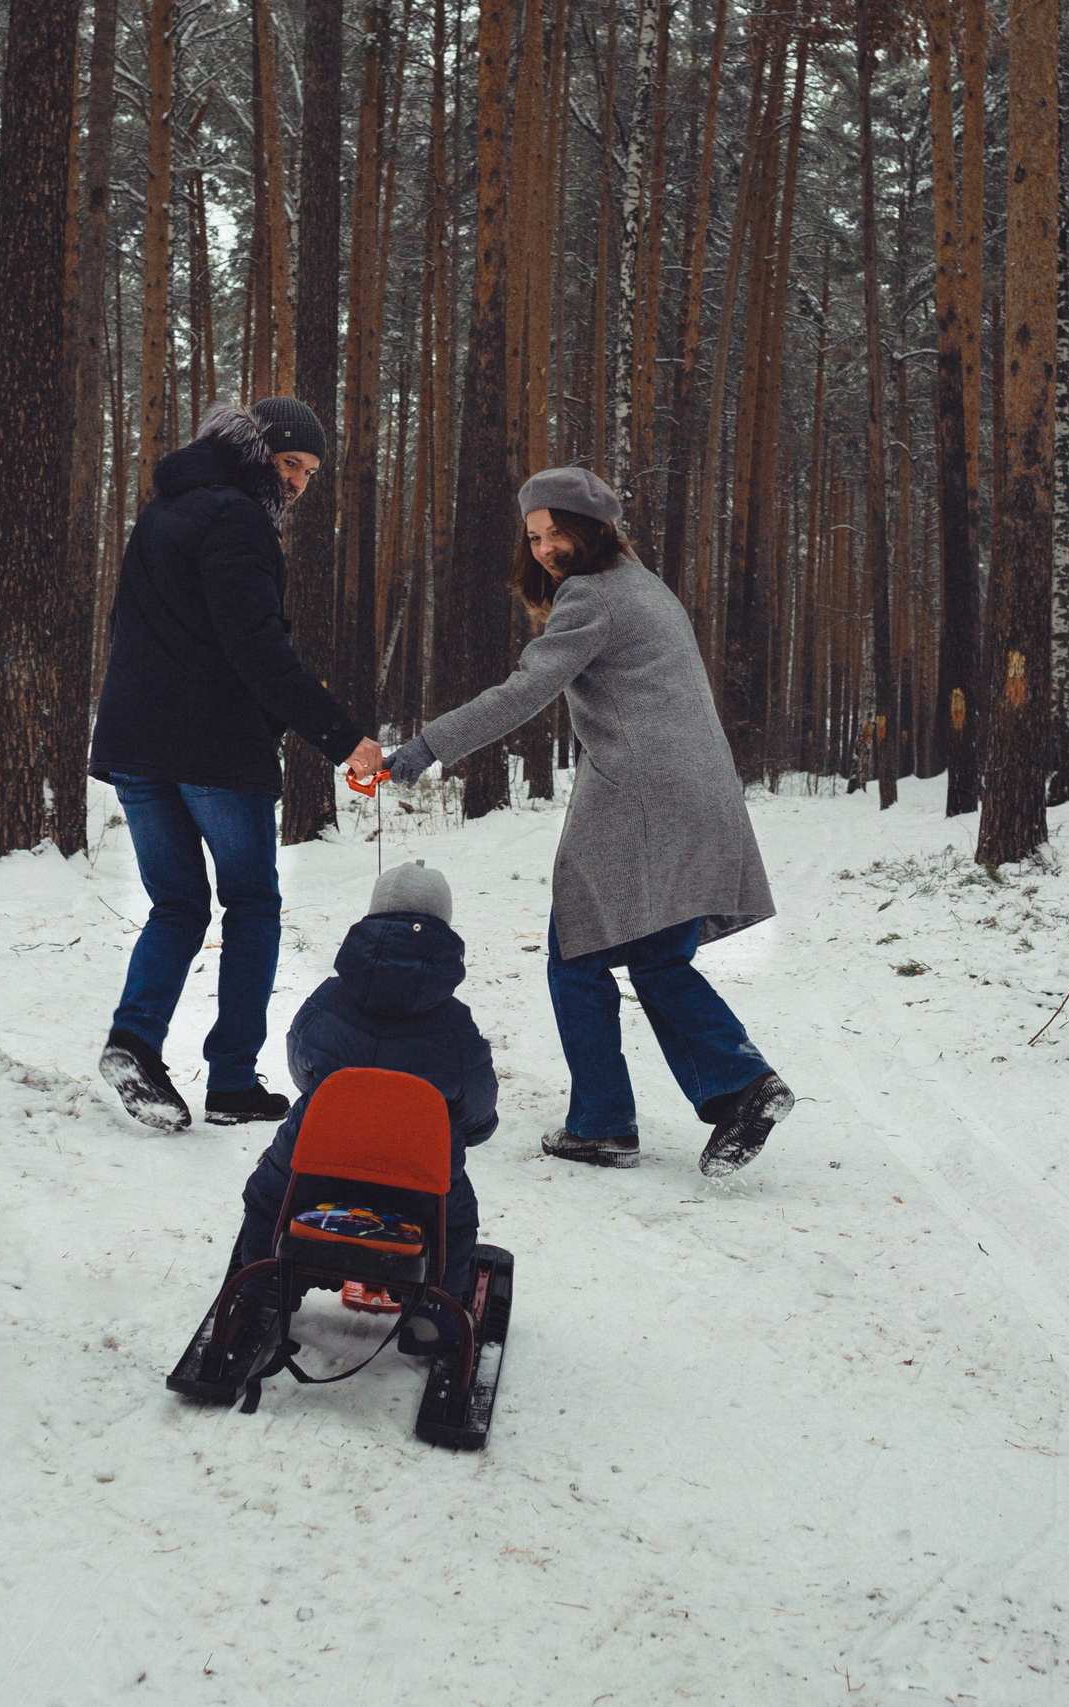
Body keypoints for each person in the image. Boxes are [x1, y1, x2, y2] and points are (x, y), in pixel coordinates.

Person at [386, 466, 793, 1178]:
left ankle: (611, 1120)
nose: (544, 548)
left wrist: (427, 746)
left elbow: (525, 691)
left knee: (576, 953)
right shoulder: (643, 584)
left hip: (640, 798)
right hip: (696, 791)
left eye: (556, 532)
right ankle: (737, 1086)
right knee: (656, 956)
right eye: (534, 536)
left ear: (593, 526)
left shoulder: (592, 596)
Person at [90, 399, 383, 1131]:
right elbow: (256, 648)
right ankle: (230, 1080)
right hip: (211, 746)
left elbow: (131, 625)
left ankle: (134, 1042)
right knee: (251, 904)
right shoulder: (237, 520)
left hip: (137, 743)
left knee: (179, 904)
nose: (298, 485)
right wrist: (342, 737)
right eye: (290, 465)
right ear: (257, 453)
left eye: (311, 474)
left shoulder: (165, 511)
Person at [229, 862, 496, 1353]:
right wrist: (470, 1129)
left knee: (266, 1197)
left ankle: (263, 1287)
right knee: (457, 1223)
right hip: (417, 1188)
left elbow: (301, 1065)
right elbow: (478, 1109)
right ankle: (433, 1312)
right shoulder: (458, 1028)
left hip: (313, 1173)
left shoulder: (326, 1001)